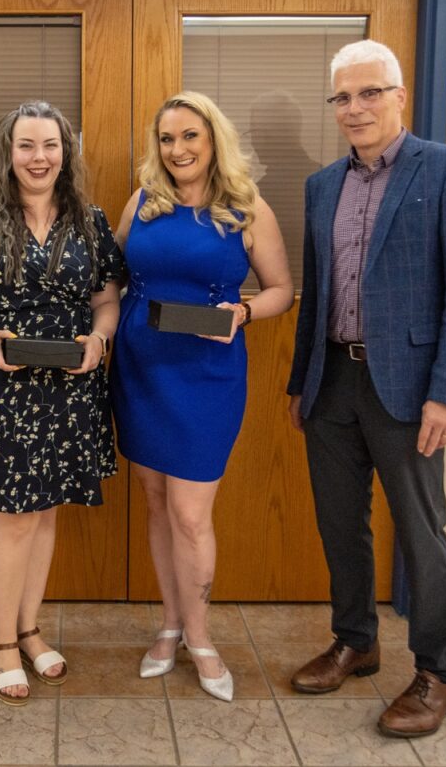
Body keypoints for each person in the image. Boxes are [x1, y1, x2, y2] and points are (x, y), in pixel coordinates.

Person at [286, 39, 446, 737]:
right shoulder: (322, 186)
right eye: (342, 96)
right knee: (339, 523)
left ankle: (439, 671)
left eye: (369, 92)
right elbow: (317, 295)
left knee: (420, 533)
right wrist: (300, 381)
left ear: (399, 95)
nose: (355, 108)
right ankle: (357, 640)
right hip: (332, 382)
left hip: (410, 389)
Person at [0, 101, 122, 705]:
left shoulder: (90, 220)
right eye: (26, 146)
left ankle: (31, 629)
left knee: (44, 515)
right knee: (11, 519)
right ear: (7, 153)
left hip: (67, 390)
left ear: (67, 153)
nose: (39, 158)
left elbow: (107, 299)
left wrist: (100, 339)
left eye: (50, 146)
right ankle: (2, 643)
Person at [110, 92, 294, 702]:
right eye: (166, 139)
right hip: (141, 366)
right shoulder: (142, 202)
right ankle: (168, 626)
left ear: (214, 139)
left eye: (190, 136)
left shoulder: (247, 210)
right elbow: (109, 275)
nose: (178, 149)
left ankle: (201, 635)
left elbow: (281, 291)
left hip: (207, 372)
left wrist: (242, 310)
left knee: (192, 515)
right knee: (158, 505)